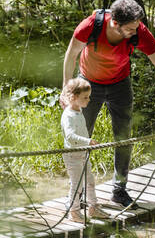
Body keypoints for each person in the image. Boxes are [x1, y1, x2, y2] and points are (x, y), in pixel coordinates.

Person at [62, 0, 155, 209]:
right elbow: (71, 55)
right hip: (88, 84)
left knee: (123, 136)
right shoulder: (90, 26)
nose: (135, 32)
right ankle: (78, 192)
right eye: (130, 28)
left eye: (137, 27)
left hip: (120, 84)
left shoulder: (141, 32)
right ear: (115, 23)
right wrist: (66, 89)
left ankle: (119, 190)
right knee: (81, 137)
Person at [60, 77, 110, 223]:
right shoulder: (68, 115)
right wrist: (88, 142)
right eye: (85, 97)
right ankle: (74, 211)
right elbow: (70, 136)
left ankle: (93, 207)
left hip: (83, 153)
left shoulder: (79, 109)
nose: (89, 100)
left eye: (88, 97)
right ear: (74, 98)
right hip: (72, 155)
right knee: (77, 184)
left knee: (90, 181)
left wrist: (87, 144)